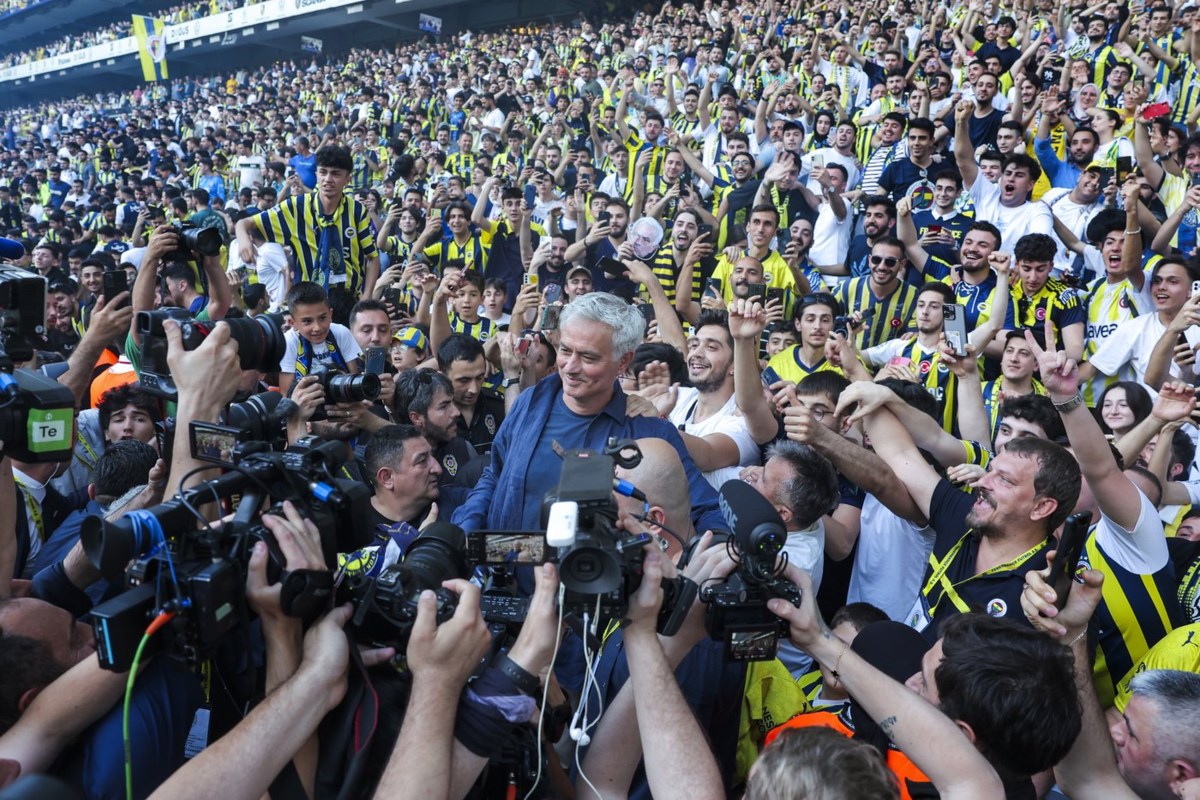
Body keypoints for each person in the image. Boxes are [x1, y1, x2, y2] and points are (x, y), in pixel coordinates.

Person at [452, 292, 726, 535]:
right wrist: (463, 533)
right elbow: (495, 475)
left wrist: (715, 556)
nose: (570, 367)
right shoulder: (530, 405)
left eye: (588, 357)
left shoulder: (649, 431)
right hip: (510, 585)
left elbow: (706, 509)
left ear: (624, 361)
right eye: (565, 350)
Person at [236, 144, 380, 323]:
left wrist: (367, 296)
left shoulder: (357, 212)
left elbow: (373, 258)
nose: (328, 179)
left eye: (335, 173)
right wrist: (243, 240)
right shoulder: (295, 207)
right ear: (316, 174)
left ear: (347, 179)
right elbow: (244, 223)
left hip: (348, 301)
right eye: (323, 172)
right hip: (308, 303)